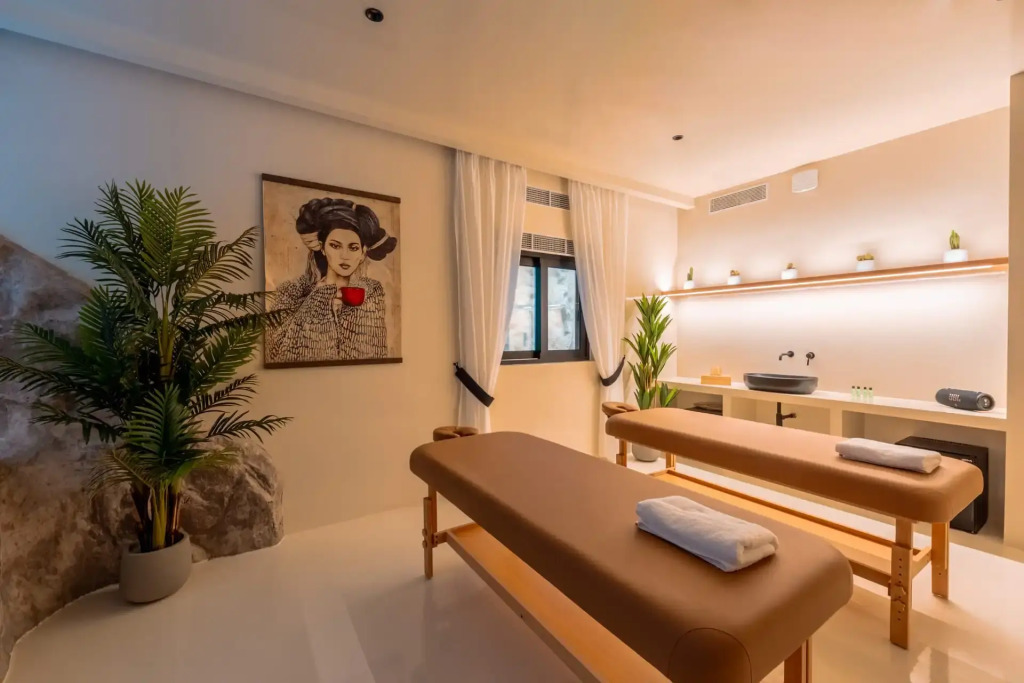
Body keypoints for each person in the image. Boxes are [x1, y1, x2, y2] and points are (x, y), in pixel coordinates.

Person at [269, 197, 397, 363]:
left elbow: (375, 352)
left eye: (353, 248)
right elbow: (280, 353)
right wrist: (318, 298)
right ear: (322, 248)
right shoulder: (292, 293)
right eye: (335, 246)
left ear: (362, 253)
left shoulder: (371, 292)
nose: (344, 256)